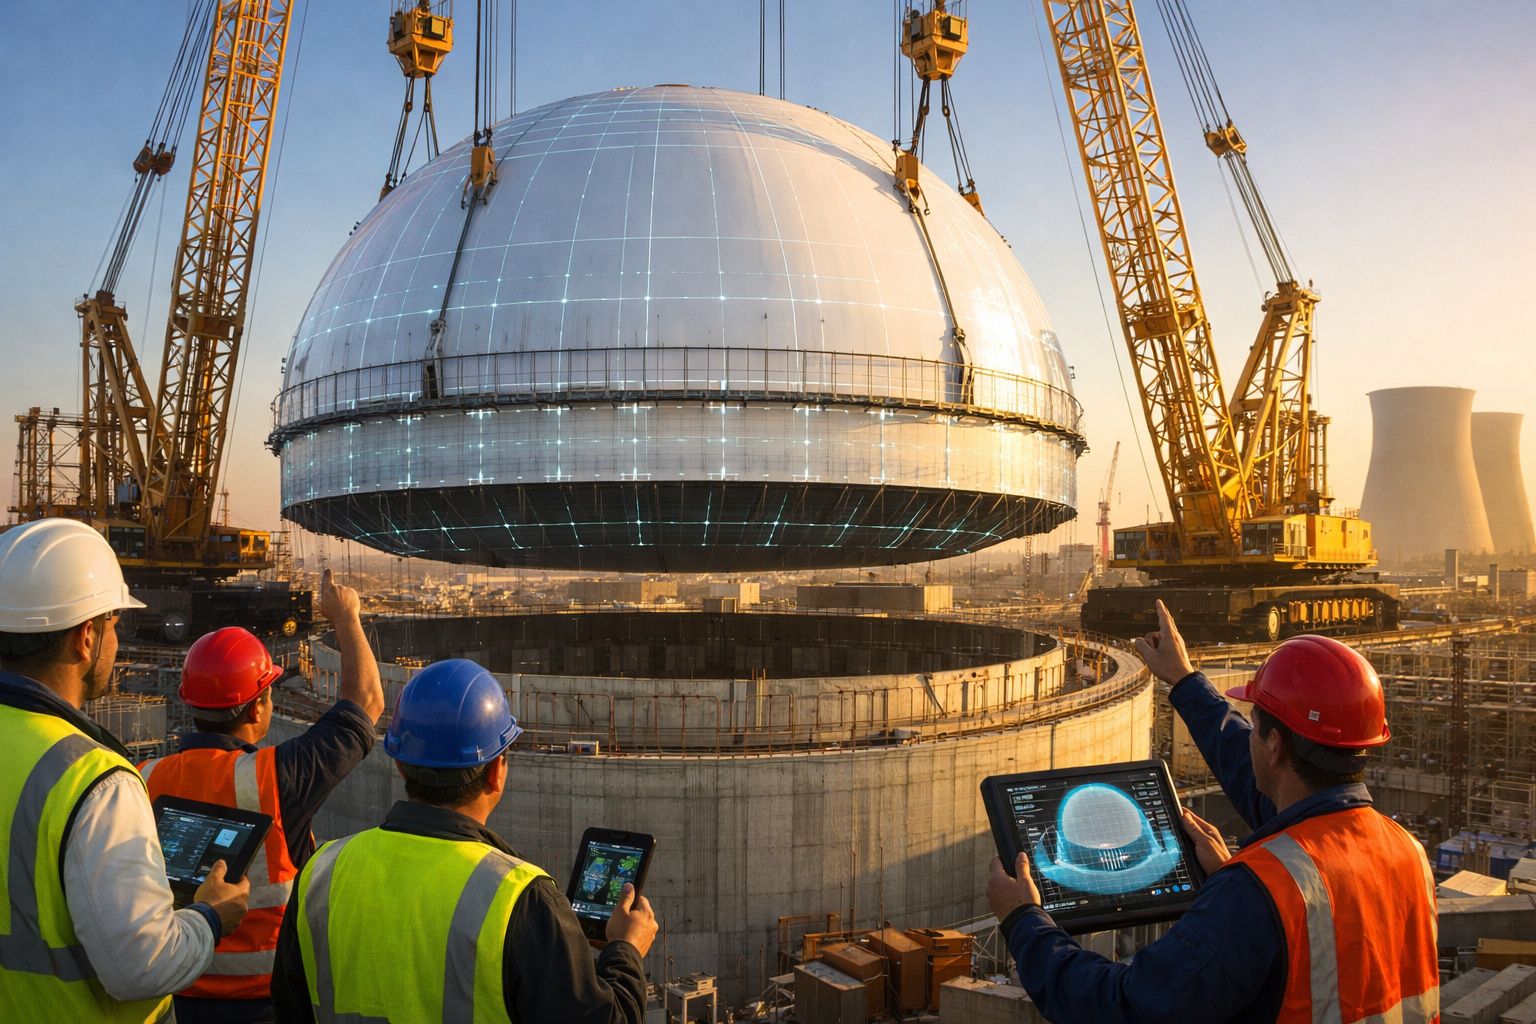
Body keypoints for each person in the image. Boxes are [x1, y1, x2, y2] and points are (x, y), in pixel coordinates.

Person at [985, 600, 1439, 1023]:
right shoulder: (1407, 851)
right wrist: (1184, 681)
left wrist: (1024, 921)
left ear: (1276, 746)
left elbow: (1124, 1006)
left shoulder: (1258, 894)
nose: (1249, 735)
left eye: (1254, 725)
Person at [271, 658, 657, 1023]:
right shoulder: (522, 900)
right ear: (496, 772)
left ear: (400, 762)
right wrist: (626, 950)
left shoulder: (321, 874)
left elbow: (290, 1008)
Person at [0, 518, 250, 1022]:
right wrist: (210, 916)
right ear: (86, 637)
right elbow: (141, 967)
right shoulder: (93, 780)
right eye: (116, 624)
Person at [138, 568, 385, 1024]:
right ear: (257, 706)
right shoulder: (279, 776)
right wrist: (346, 616)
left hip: (169, 996)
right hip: (266, 1004)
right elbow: (366, 702)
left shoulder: (141, 778)